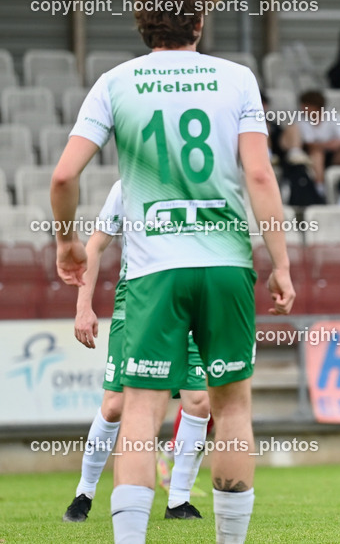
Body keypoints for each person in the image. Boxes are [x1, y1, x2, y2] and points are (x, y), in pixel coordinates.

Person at [51, 0, 296, 543]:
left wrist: (66, 240)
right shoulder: (237, 79)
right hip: (226, 263)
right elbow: (261, 178)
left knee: (140, 411)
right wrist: (281, 262)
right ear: (201, 19)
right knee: (231, 408)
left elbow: (63, 177)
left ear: (142, 21)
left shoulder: (115, 83)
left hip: (154, 268)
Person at [63, 181, 210, 523]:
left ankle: (178, 501)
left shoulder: (201, 183)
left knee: (199, 401)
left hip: (189, 300)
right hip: (138, 299)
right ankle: (83, 494)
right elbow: (96, 246)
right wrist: (83, 307)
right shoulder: (127, 186)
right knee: (114, 406)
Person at [297, 89, 340, 190]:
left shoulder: (334, 117)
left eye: (305, 106)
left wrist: (335, 144)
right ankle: (319, 189)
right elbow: (309, 144)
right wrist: (328, 145)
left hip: (335, 156)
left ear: (315, 106)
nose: (302, 109)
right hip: (313, 156)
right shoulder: (300, 119)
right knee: (317, 153)